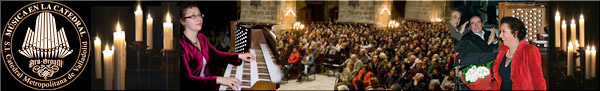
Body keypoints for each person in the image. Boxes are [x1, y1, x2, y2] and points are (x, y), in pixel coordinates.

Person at [179, 2, 256, 90]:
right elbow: (188, 81)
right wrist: (219, 79)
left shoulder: (201, 38)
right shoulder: (181, 46)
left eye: (199, 15)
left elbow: (216, 54)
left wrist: (239, 56)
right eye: (193, 16)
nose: (199, 19)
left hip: (208, 85)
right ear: (182, 21)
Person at [490, 17, 546, 90]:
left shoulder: (530, 50)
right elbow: (496, 82)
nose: (500, 35)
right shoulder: (501, 52)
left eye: (503, 31)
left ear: (515, 33)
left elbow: (538, 82)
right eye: (500, 32)